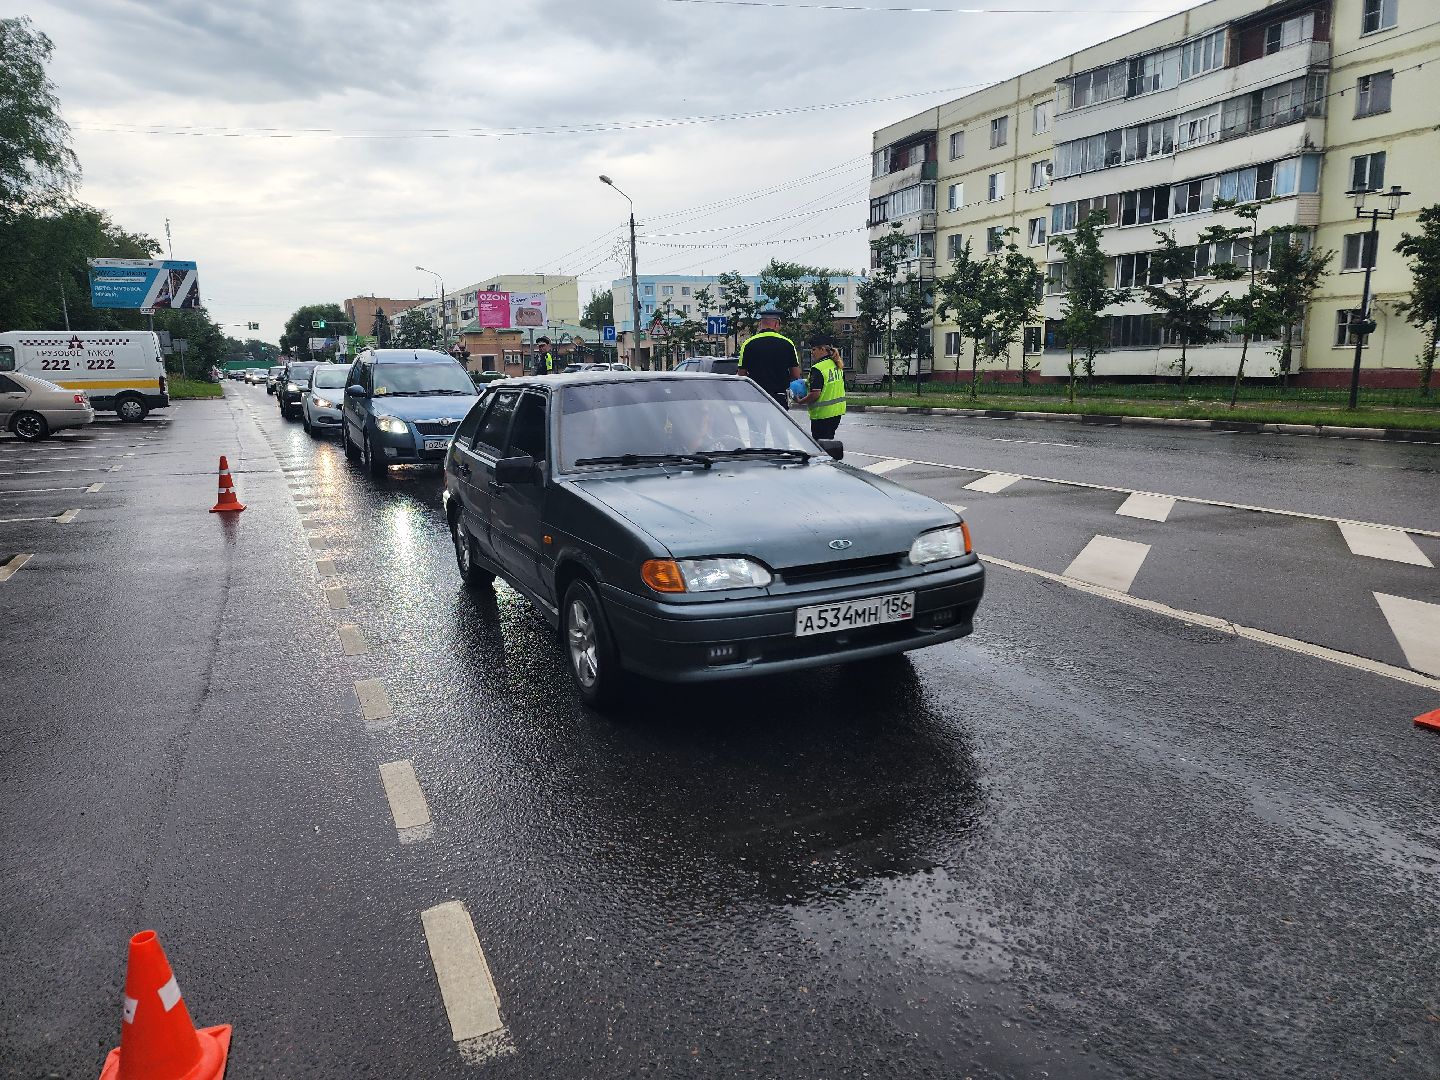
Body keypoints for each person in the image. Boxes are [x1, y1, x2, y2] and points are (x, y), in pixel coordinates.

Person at [736, 310, 800, 410]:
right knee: (778, 425)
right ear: (776, 324)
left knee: (756, 425)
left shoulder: (748, 344)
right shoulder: (788, 344)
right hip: (779, 397)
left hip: (756, 397)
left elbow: (741, 374)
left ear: (761, 324)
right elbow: (796, 374)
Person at [796, 335, 846, 440]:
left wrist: (801, 401)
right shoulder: (836, 364)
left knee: (821, 448)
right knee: (829, 443)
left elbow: (815, 394)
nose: (811, 352)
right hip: (836, 413)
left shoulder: (818, 368)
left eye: (814, 349)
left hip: (822, 415)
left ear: (822, 349)